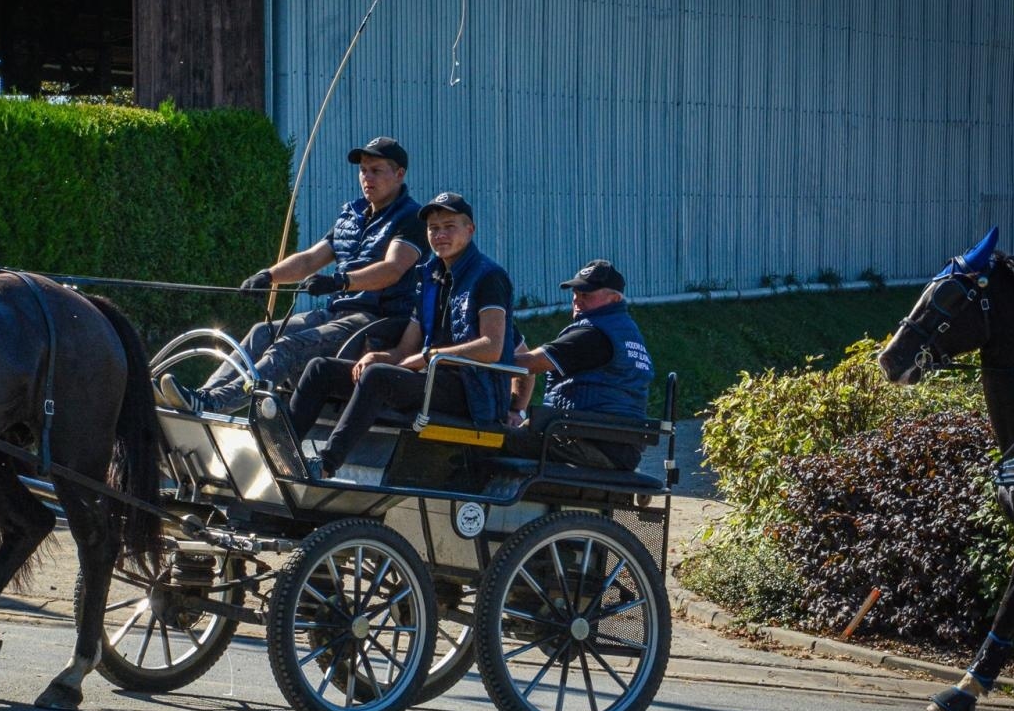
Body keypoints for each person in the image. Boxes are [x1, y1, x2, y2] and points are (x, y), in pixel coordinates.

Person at [159, 135, 425, 414]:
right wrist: (268, 276)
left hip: (375, 321)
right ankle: (203, 395)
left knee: (287, 345)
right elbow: (311, 259)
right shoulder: (352, 214)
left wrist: (342, 281)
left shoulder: (410, 218)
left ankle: (217, 403)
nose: (366, 177)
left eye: (376, 170)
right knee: (261, 332)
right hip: (337, 314)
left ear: (399, 174)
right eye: (362, 170)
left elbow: (393, 269)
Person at [288, 192, 514, 479]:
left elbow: (491, 349)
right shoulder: (429, 275)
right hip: (431, 376)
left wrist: (429, 357)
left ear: (470, 230)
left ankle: (326, 465)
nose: (440, 234)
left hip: (470, 389)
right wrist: (381, 355)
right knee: (321, 368)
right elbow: (406, 347)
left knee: (378, 377)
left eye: (449, 226)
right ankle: (280, 451)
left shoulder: (489, 276)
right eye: (433, 228)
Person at [513, 259, 653, 470]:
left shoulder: (593, 335)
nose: (577, 300)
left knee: (492, 439)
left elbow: (529, 364)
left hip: (593, 443)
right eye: (575, 293)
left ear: (614, 298)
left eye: (586, 294)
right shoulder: (624, 331)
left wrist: (473, 359)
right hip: (611, 443)